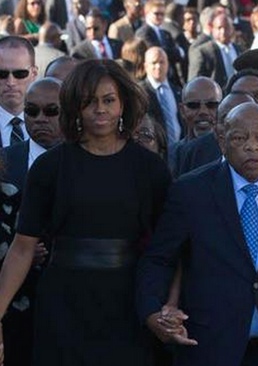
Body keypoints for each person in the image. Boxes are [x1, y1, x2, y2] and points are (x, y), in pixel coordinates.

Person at [0, 59, 171, 366]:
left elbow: (168, 248)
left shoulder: (149, 169)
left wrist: (166, 305)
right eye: (89, 102)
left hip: (128, 301)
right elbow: (22, 248)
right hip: (63, 302)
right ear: (74, 107)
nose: (100, 109)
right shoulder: (50, 167)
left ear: (123, 104)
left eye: (108, 100)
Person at [137, 101, 258, 366]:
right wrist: (151, 312)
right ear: (221, 140)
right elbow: (159, 259)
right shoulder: (190, 193)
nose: (252, 146)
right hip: (208, 347)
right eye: (240, 138)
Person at [0, 77, 62, 366]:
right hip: (15, 309)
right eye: (31, 111)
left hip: (72, 303)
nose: (40, 119)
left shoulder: (86, 161)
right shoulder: (5, 161)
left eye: (51, 111)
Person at [187, 12, 243, 88]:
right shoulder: (203, 52)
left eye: (226, 27)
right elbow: (193, 82)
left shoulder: (238, 49)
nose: (223, 32)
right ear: (213, 29)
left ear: (232, 29)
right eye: (219, 28)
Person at [0, 36, 37, 147]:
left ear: (34, 74)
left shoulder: (51, 122)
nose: (11, 82)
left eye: (20, 74)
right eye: (2, 74)